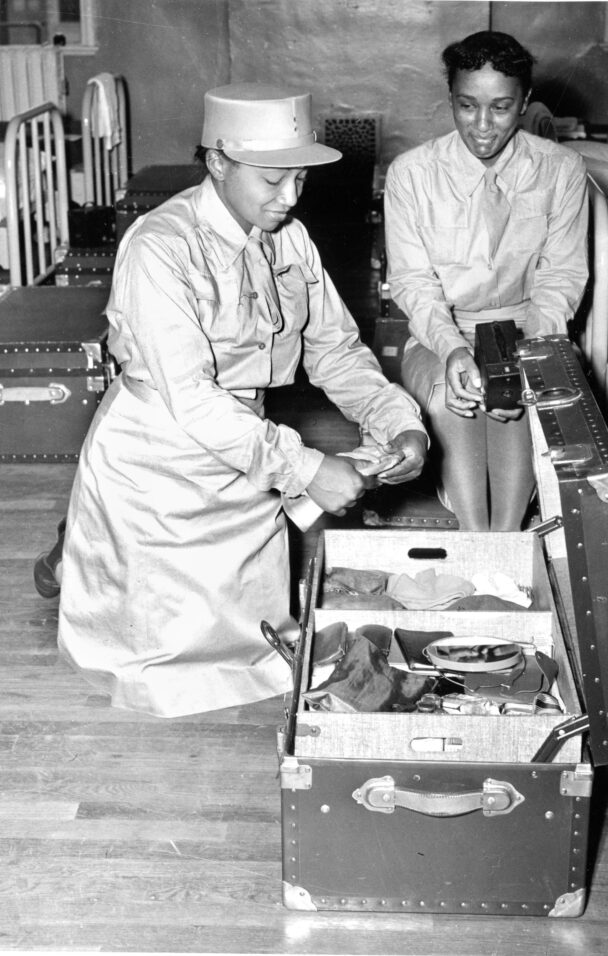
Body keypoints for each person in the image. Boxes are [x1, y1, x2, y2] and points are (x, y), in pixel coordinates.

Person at [52, 84, 428, 719]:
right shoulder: (160, 246)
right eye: (273, 179)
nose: (289, 198)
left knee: (256, 653)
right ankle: (73, 563)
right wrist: (308, 468)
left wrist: (397, 421)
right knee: (161, 668)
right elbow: (194, 401)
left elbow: (334, 350)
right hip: (160, 468)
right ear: (219, 161)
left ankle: (74, 562)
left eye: (299, 180)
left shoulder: (289, 239)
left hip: (245, 452)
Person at [383, 31, 589, 531]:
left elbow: (559, 278)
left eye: (500, 107)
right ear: (450, 99)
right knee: (455, 399)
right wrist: (453, 348)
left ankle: (508, 537)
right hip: (441, 331)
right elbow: (414, 284)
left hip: (530, 329)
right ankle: (475, 538)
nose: (481, 125)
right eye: (466, 105)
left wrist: (533, 357)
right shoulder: (411, 174)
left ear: (524, 104)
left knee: (521, 407)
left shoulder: (561, 170)